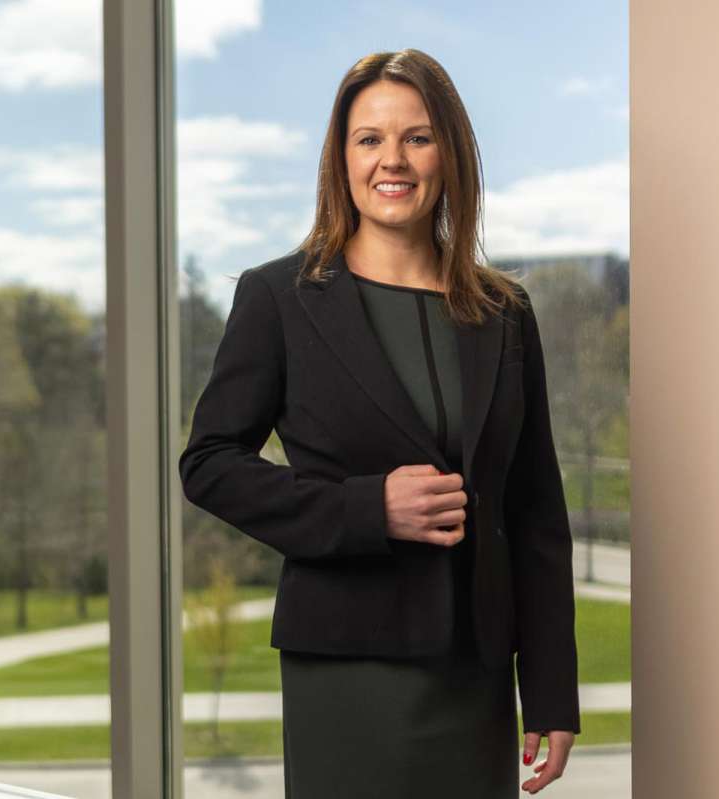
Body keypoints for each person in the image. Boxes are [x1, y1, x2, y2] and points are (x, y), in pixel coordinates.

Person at [179, 48, 579, 798]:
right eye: (369, 139)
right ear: (342, 157)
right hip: (347, 665)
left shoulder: (506, 313)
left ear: (450, 153)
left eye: (417, 137)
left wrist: (553, 688)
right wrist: (368, 508)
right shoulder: (280, 298)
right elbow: (208, 462)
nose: (392, 159)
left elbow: (535, 511)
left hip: (476, 672)